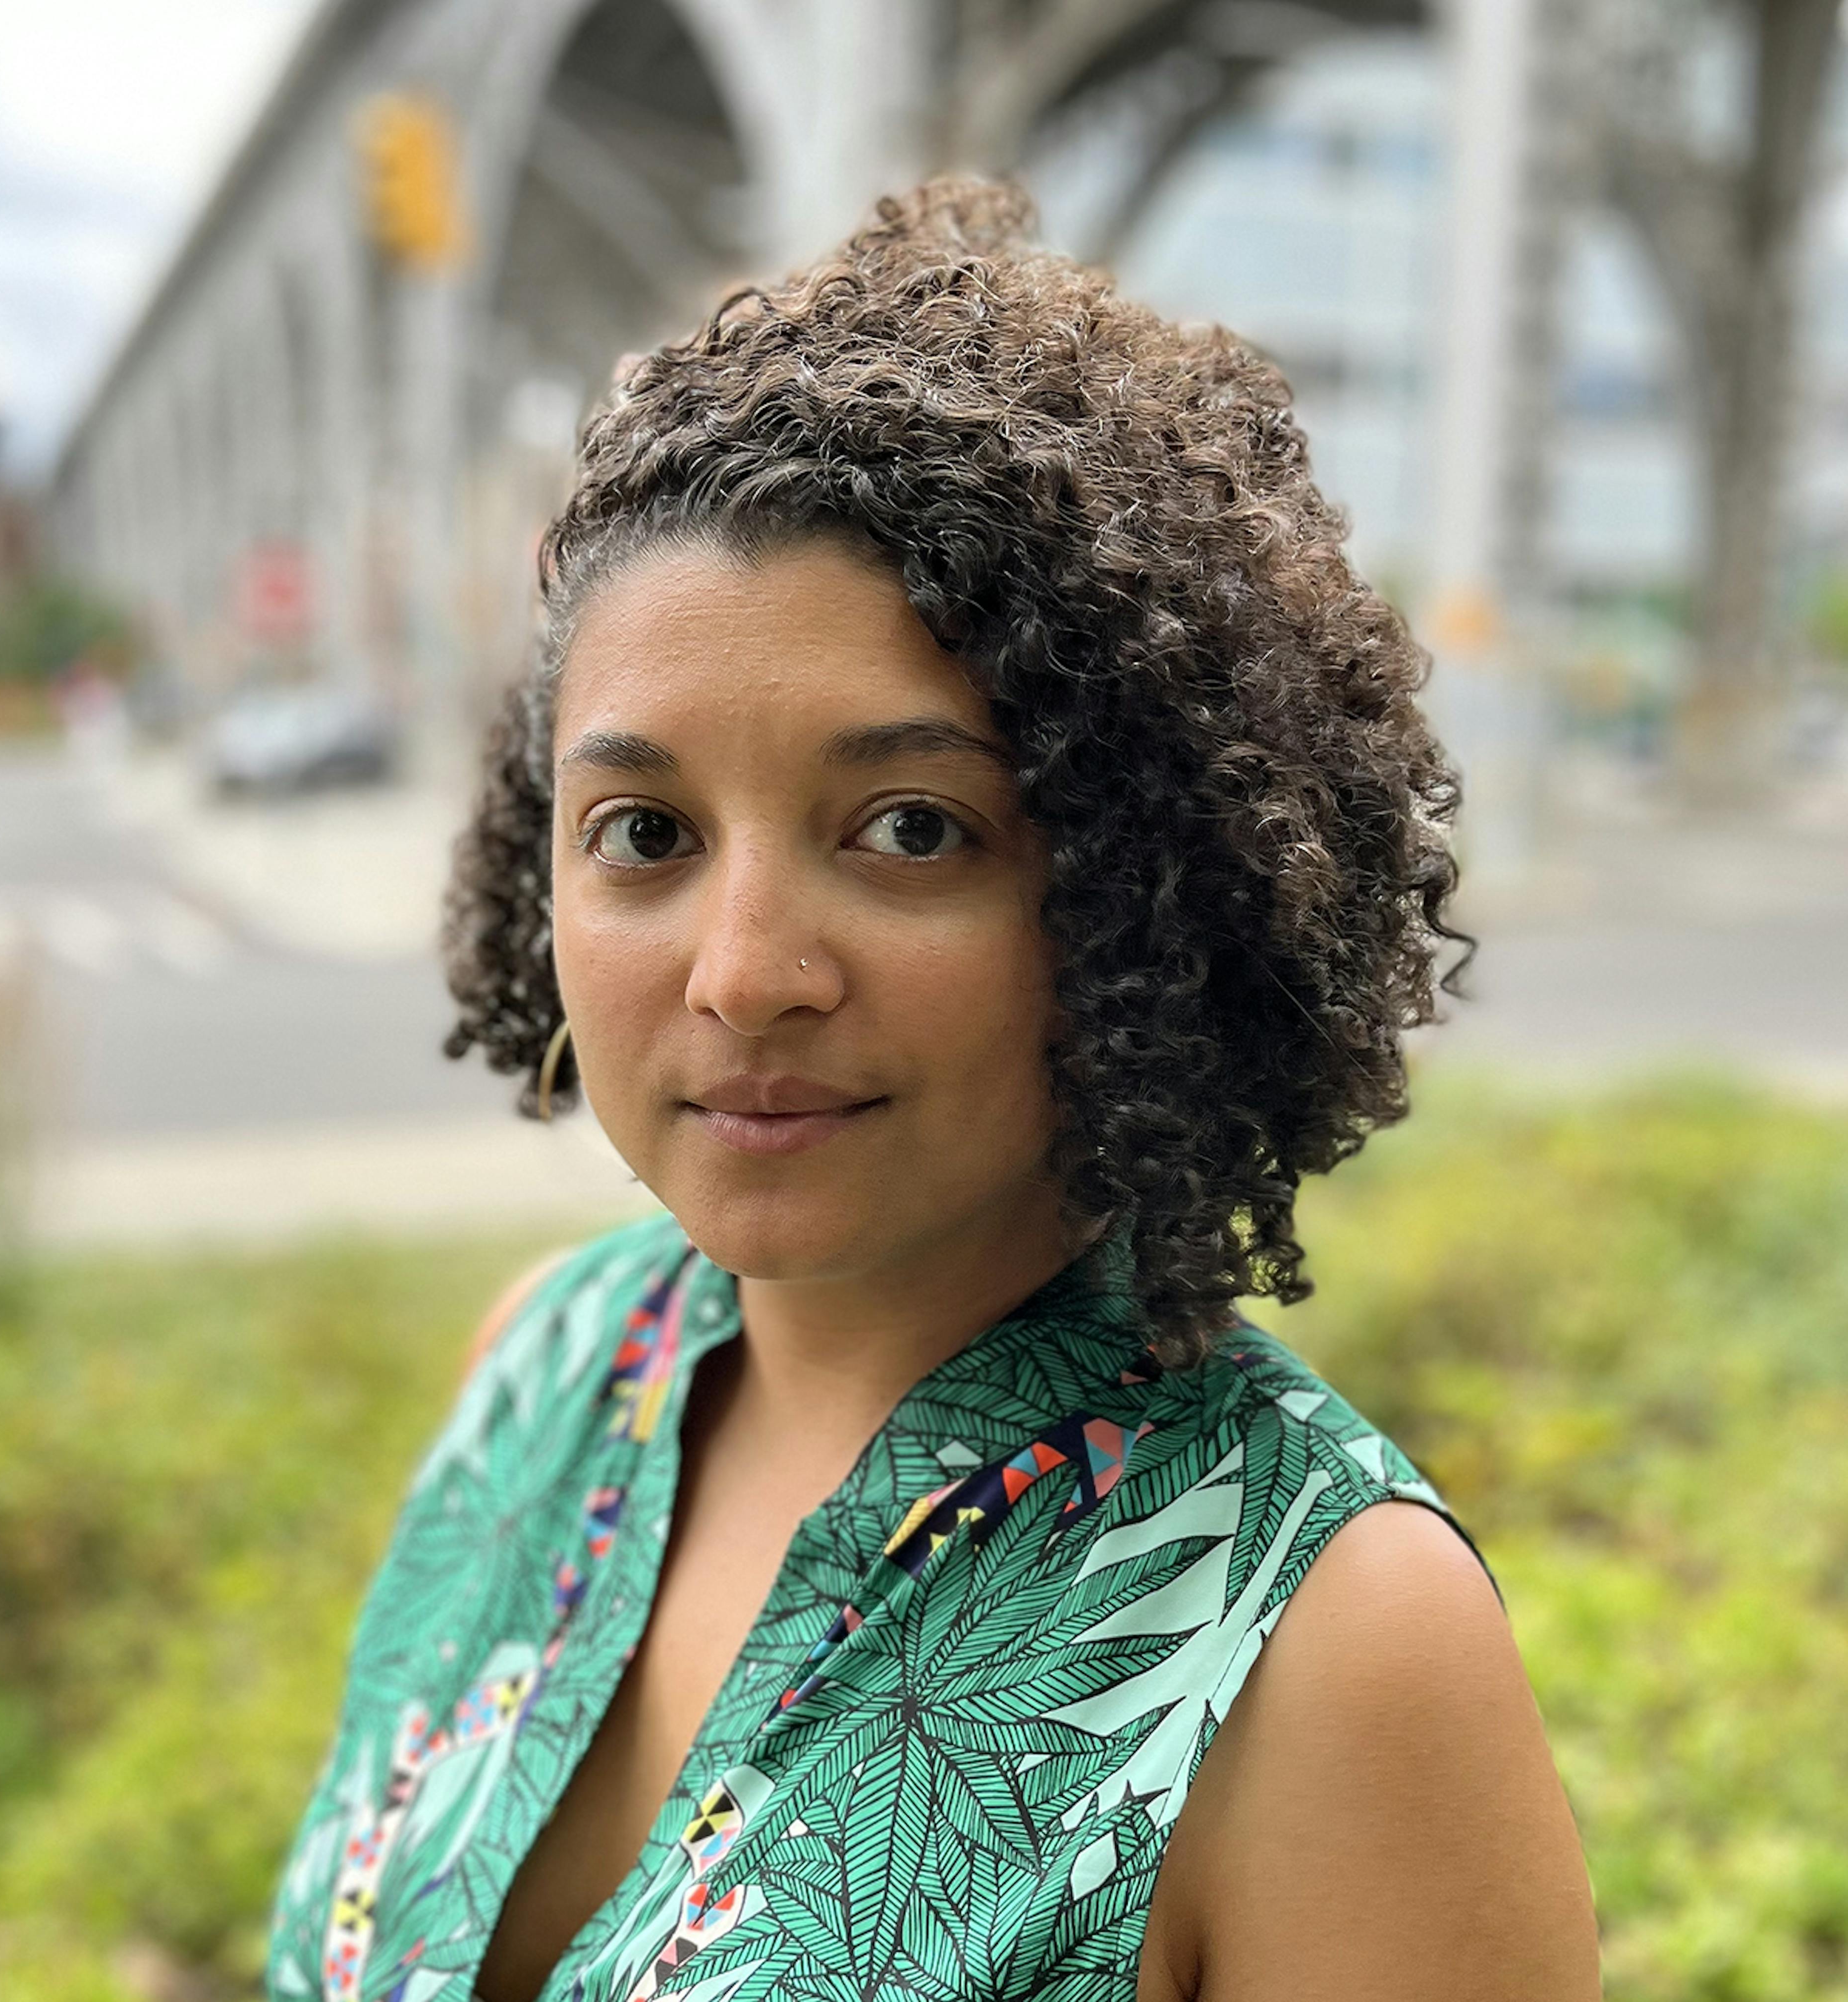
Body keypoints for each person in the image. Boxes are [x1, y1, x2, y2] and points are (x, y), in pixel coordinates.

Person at [266, 179, 1601, 2002]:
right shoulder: (547, 1370)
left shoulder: (1330, 1643)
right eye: (644, 833)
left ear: (1143, 896)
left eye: (911, 829)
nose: (744, 972)